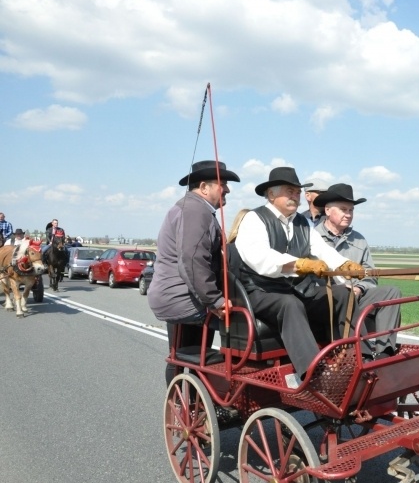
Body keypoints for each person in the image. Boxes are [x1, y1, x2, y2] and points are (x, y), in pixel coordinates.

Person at [231, 166, 364, 375]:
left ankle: (358, 358)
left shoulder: (302, 223)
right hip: (262, 291)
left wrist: (343, 265)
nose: (295, 196)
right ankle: (313, 372)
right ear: (271, 194)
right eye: (289, 191)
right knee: (290, 304)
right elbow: (259, 257)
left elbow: (321, 249)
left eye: (297, 192)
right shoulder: (254, 219)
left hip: (296, 289)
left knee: (342, 294)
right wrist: (300, 264)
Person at [148, 160, 240, 385]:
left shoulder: (193, 208)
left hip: (181, 294)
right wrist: (215, 301)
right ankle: (226, 385)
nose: (227, 189)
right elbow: (192, 261)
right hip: (182, 297)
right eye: (222, 184)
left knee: (185, 356)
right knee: (241, 318)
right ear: (204, 187)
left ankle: (194, 399)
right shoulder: (195, 210)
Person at [313, 183, 401, 356]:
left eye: (351, 210)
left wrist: (359, 288)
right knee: (343, 296)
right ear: (328, 210)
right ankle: (363, 357)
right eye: (343, 209)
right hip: (328, 301)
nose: (348, 214)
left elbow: (369, 273)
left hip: (356, 296)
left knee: (392, 292)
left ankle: (385, 352)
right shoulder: (313, 238)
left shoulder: (359, 240)